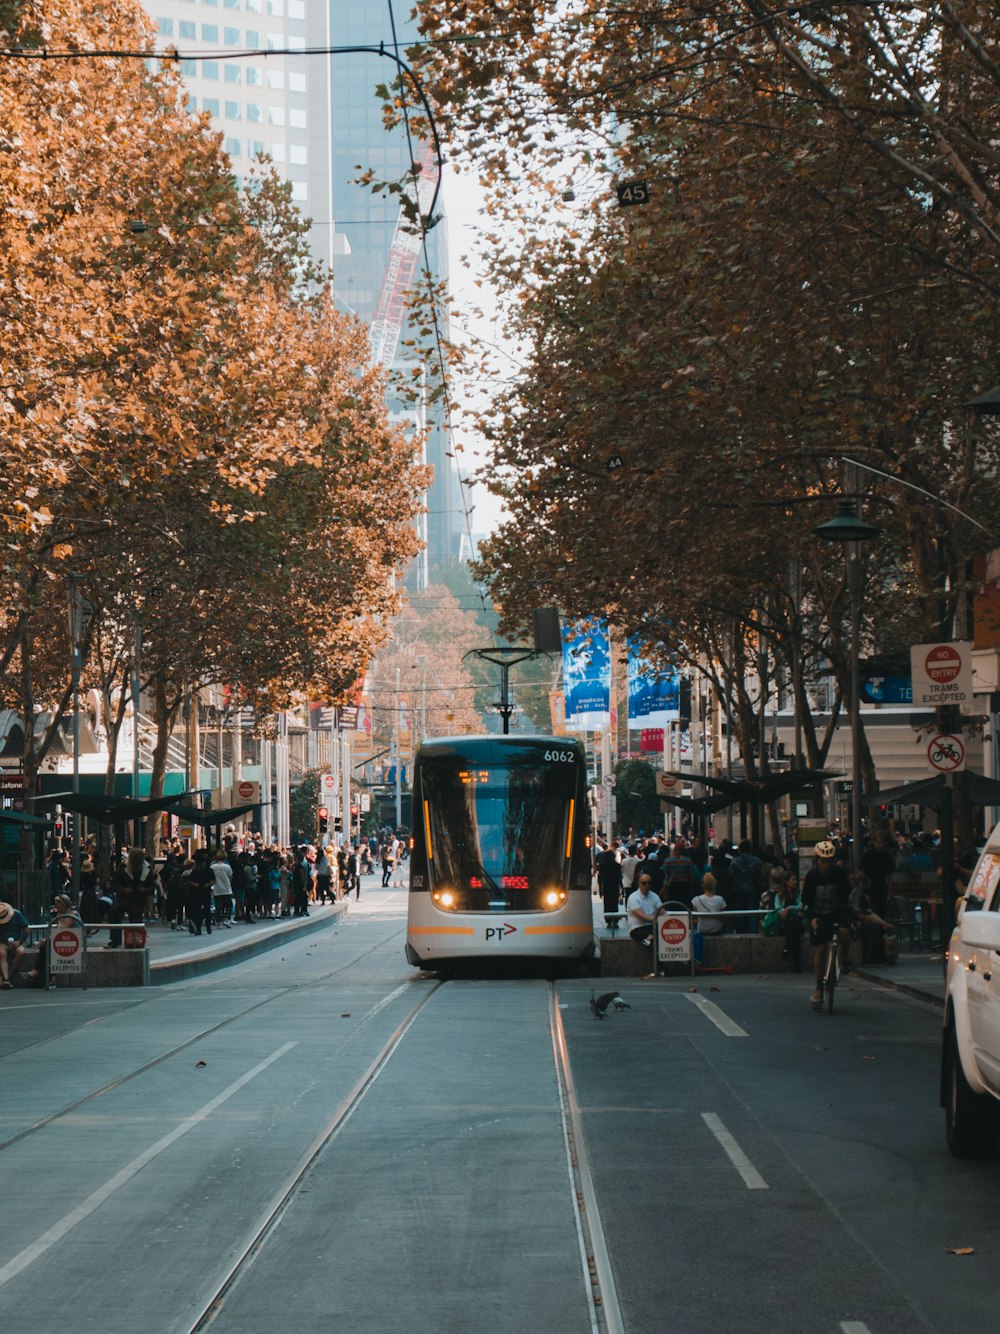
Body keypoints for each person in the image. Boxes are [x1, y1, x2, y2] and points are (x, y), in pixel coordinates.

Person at [802, 840, 853, 1006]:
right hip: (818, 915)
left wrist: (848, 918)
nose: (826, 866)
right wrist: (812, 918)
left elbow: (846, 898)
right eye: (823, 862)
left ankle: (845, 956)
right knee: (821, 947)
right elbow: (806, 902)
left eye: (829, 862)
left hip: (836, 912)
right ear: (817, 862)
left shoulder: (839, 874)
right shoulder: (811, 877)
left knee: (844, 932)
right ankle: (818, 988)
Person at [21, 895, 80, 986]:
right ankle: (50, 977)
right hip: (63, 941)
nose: (56, 907)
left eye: (58, 905)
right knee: (47, 946)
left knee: (48, 945)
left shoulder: (73, 914)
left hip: (74, 942)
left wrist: (59, 919)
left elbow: (62, 929)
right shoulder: (60, 915)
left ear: (63, 905)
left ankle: (37, 972)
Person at [761, 867, 805, 969]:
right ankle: (796, 964)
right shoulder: (779, 896)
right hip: (786, 924)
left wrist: (789, 909)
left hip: (794, 923)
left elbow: (800, 906)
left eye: (795, 880)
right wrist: (790, 911)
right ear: (786, 881)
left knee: (793, 925)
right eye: (792, 880)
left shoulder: (798, 894)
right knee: (794, 932)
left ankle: (786, 948)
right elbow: (779, 910)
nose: (795, 882)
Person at [626, 872, 662, 948]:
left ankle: (649, 939)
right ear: (639, 884)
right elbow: (642, 916)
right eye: (644, 883)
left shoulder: (654, 896)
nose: (647, 885)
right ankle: (649, 940)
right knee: (654, 941)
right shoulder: (633, 898)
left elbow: (662, 911)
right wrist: (659, 920)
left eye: (649, 883)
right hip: (637, 928)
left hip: (652, 926)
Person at [0, 900, 30, 988]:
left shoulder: (17, 914)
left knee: (21, 952)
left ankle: (7, 977)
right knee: (1, 953)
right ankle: (6, 979)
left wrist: (19, 941)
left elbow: (26, 930)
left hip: (17, 940)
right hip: (2, 942)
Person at [597, 843, 624, 928]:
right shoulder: (617, 866)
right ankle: (615, 921)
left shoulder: (603, 866)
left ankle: (608, 921)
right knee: (614, 904)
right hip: (615, 887)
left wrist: (600, 890)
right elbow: (620, 878)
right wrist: (621, 889)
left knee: (607, 904)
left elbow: (600, 879)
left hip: (606, 887)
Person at [212, 849, 234, 927]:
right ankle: (226, 919)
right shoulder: (227, 867)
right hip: (227, 888)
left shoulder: (213, 867)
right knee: (228, 905)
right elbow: (230, 877)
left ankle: (218, 923)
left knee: (218, 906)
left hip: (216, 889)